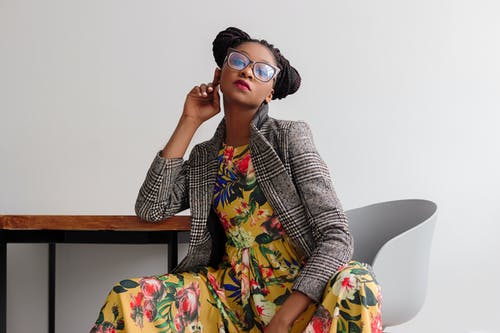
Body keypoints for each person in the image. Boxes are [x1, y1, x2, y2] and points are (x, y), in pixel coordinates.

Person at [90, 27, 382, 333]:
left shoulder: (289, 138)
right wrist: (189, 121)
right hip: (227, 298)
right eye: (239, 62)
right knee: (128, 297)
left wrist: (284, 318)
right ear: (220, 75)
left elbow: (336, 235)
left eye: (262, 70)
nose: (249, 73)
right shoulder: (207, 156)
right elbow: (151, 207)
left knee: (358, 279)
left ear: (270, 91)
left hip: (297, 298)